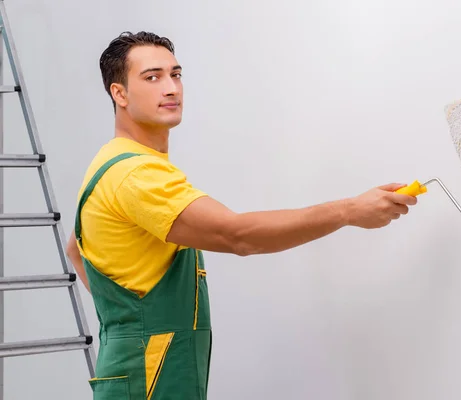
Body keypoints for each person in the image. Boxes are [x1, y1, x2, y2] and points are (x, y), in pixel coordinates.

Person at [66, 31, 418, 400]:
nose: (171, 88)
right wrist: (348, 211)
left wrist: (126, 321)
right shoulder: (138, 175)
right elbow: (238, 235)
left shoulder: (111, 160)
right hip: (149, 377)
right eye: (152, 77)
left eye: (176, 74)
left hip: (139, 367)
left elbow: (76, 246)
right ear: (119, 93)